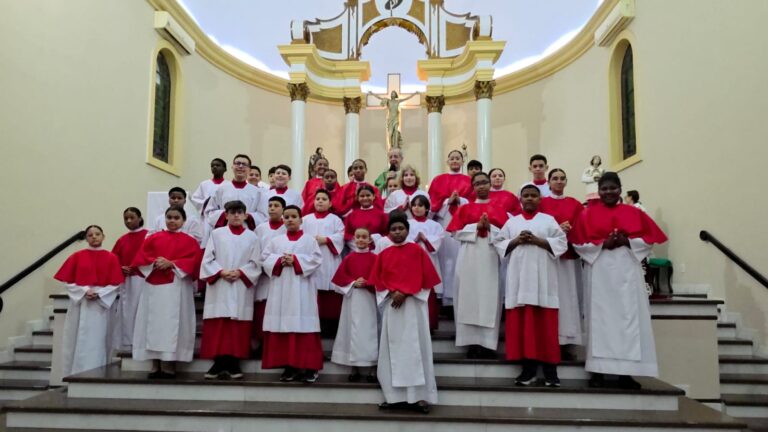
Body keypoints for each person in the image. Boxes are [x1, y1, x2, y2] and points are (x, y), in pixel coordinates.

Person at [571, 172, 668, 389]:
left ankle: (626, 373)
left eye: (612, 188)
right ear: (599, 191)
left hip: (627, 271)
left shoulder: (634, 213)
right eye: (604, 188)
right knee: (599, 320)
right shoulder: (587, 214)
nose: (608, 192)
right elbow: (577, 243)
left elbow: (648, 240)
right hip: (599, 270)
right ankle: (598, 371)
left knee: (628, 320)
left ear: (620, 189)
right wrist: (601, 244)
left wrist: (627, 241)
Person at [495, 184, 567, 386]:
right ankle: (528, 369)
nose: (529, 198)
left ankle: (550, 371)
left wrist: (537, 240)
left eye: (533, 195)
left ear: (539, 199)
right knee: (524, 328)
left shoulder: (548, 220)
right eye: (525, 195)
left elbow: (561, 243)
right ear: (520, 199)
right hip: (519, 282)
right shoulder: (512, 222)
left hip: (543, 282)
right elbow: (499, 243)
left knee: (546, 327)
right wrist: (517, 240)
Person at [132, 206, 202, 378]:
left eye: (176, 218)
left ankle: (169, 364)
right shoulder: (153, 238)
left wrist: (172, 263)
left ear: (184, 220)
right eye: (169, 217)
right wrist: (156, 262)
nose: (172, 220)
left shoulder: (190, 241)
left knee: (172, 324)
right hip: (153, 288)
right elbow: (142, 257)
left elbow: (194, 261)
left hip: (177, 287)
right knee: (152, 324)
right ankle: (155, 364)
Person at [446, 172, 509, 359]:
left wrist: (490, 228)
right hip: (469, 256)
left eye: (484, 182)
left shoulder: (499, 209)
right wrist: (476, 227)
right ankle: (471, 343)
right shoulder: (465, 209)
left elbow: (506, 235)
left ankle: (488, 343)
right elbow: (454, 233)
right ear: (472, 187)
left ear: (489, 184)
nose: (481, 186)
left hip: (490, 256)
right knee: (468, 296)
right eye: (477, 183)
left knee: (489, 297)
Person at [260, 205, 324, 383]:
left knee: (305, 326)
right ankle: (290, 366)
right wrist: (280, 260)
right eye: (286, 217)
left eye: (293, 216)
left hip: (302, 290)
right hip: (280, 290)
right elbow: (264, 259)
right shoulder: (275, 241)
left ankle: (310, 367)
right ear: (282, 220)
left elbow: (316, 260)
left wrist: (295, 260)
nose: (290, 220)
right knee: (283, 326)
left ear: (301, 220)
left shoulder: (309, 241)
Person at [199, 200, 263, 380]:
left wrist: (241, 272)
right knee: (219, 323)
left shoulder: (252, 237)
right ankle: (218, 362)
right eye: (232, 212)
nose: (236, 215)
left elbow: (256, 262)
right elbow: (207, 259)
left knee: (238, 324)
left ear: (245, 215)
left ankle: (234, 363)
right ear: (225, 215)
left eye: (239, 212)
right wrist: (220, 272)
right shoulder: (216, 234)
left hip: (240, 284)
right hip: (220, 283)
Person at [55, 225, 123, 377]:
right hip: (81, 303)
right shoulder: (77, 256)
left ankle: (99, 372)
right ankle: (77, 373)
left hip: (101, 305)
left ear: (103, 236)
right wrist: (85, 291)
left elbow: (116, 284)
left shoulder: (112, 258)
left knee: (99, 339)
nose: (94, 237)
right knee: (77, 338)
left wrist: (99, 293)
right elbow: (69, 282)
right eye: (90, 235)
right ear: (86, 238)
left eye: (97, 234)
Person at [540, 169, 585, 358]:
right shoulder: (541, 203)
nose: (558, 181)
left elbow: (583, 226)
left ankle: (566, 341)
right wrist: (557, 230)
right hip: (548, 256)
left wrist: (570, 230)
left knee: (568, 296)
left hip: (568, 257)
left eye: (562, 178)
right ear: (548, 182)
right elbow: (536, 226)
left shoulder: (575, 204)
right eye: (555, 178)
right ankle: (547, 339)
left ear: (566, 182)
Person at [330, 227, 379, 382]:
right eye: (358, 237)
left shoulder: (375, 258)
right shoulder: (349, 258)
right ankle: (354, 367)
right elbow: (339, 280)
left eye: (364, 237)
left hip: (370, 300)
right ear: (354, 239)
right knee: (351, 331)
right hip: (352, 299)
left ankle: (373, 367)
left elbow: (380, 278)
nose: (361, 240)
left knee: (371, 331)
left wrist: (368, 282)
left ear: (370, 240)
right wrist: (352, 283)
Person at [429, 150, 473, 306]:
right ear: (447, 161)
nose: (454, 161)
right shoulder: (438, 180)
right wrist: (448, 201)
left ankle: (459, 294)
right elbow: (432, 200)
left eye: (457, 158)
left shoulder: (469, 180)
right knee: (444, 256)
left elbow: (474, 201)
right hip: (444, 219)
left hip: (462, 220)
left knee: (459, 256)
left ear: (462, 162)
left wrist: (460, 200)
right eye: (452, 158)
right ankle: (444, 297)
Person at [301, 190, 345, 336]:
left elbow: (341, 236)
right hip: (310, 261)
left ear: (330, 203)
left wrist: (326, 240)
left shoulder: (335, 220)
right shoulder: (305, 220)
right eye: (317, 198)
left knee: (330, 298)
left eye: (324, 199)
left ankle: (330, 329)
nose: (320, 201)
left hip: (329, 259)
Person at [252, 196, 287, 356]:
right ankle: (260, 343)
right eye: (270, 205)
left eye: (276, 205)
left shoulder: (287, 228)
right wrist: (264, 265)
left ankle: (277, 345)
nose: (272, 208)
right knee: (261, 309)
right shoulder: (260, 228)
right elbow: (255, 250)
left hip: (282, 274)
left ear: (283, 209)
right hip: (263, 275)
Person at [110, 208, 148, 353]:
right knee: (127, 311)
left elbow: (152, 255)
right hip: (127, 282)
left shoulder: (149, 236)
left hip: (145, 279)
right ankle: (129, 343)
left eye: (132, 217)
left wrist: (138, 268)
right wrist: (120, 268)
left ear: (140, 218)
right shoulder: (122, 240)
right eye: (126, 218)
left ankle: (142, 341)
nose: (128, 221)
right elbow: (113, 260)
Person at [407, 195, 445, 331]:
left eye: (420, 205)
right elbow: (402, 240)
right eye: (414, 205)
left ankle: (429, 325)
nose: (416, 208)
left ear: (427, 208)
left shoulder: (434, 225)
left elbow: (439, 240)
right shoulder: (407, 223)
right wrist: (414, 239)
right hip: (411, 261)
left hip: (429, 259)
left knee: (429, 290)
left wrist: (426, 239)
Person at [205, 154, 267, 230]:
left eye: (244, 164)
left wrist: (247, 216)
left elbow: (263, 215)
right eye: (237, 163)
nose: (240, 166)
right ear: (232, 167)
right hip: (224, 231)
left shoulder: (257, 192)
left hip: (247, 232)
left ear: (249, 169)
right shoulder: (221, 189)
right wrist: (227, 214)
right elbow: (210, 212)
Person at [343, 185, 388, 250]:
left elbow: (386, 234)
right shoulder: (351, 216)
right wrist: (359, 246)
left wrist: (374, 238)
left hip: (376, 250)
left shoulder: (381, 215)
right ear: (357, 198)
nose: (365, 198)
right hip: (356, 250)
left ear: (373, 196)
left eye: (368, 195)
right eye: (362, 196)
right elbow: (347, 235)